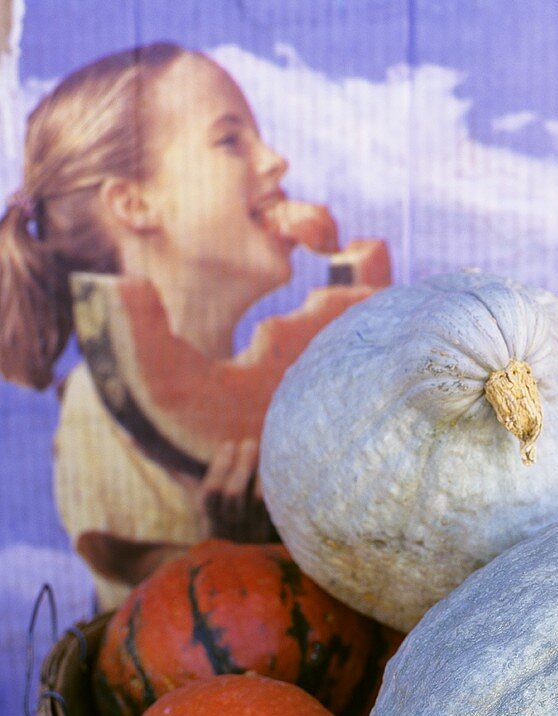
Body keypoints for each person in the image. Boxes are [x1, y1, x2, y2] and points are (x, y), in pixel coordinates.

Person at [0, 42, 388, 610]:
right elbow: (145, 598)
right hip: (178, 692)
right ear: (134, 204)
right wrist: (227, 550)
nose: (275, 161)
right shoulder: (97, 404)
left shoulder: (276, 395)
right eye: (230, 140)